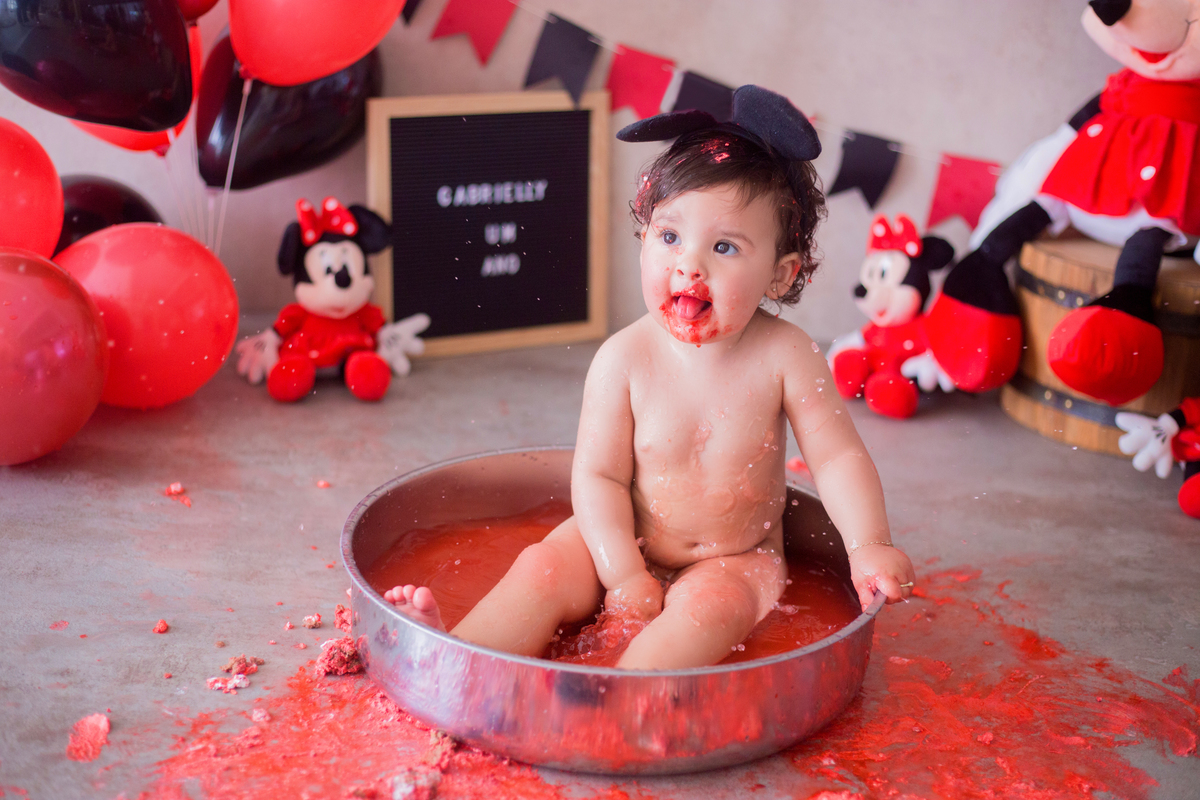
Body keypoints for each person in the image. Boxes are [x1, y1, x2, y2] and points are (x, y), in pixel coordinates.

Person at [385, 86, 915, 670]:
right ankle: (457, 655)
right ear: (644, 239)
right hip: (620, 537)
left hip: (735, 558)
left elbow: (837, 457)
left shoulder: (787, 355)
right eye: (669, 237)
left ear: (780, 275)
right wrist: (623, 574)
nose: (689, 265)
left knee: (707, 612)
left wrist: (868, 544)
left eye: (724, 246)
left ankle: (628, 692)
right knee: (542, 567)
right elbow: (599, 477)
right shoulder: (624, 359)